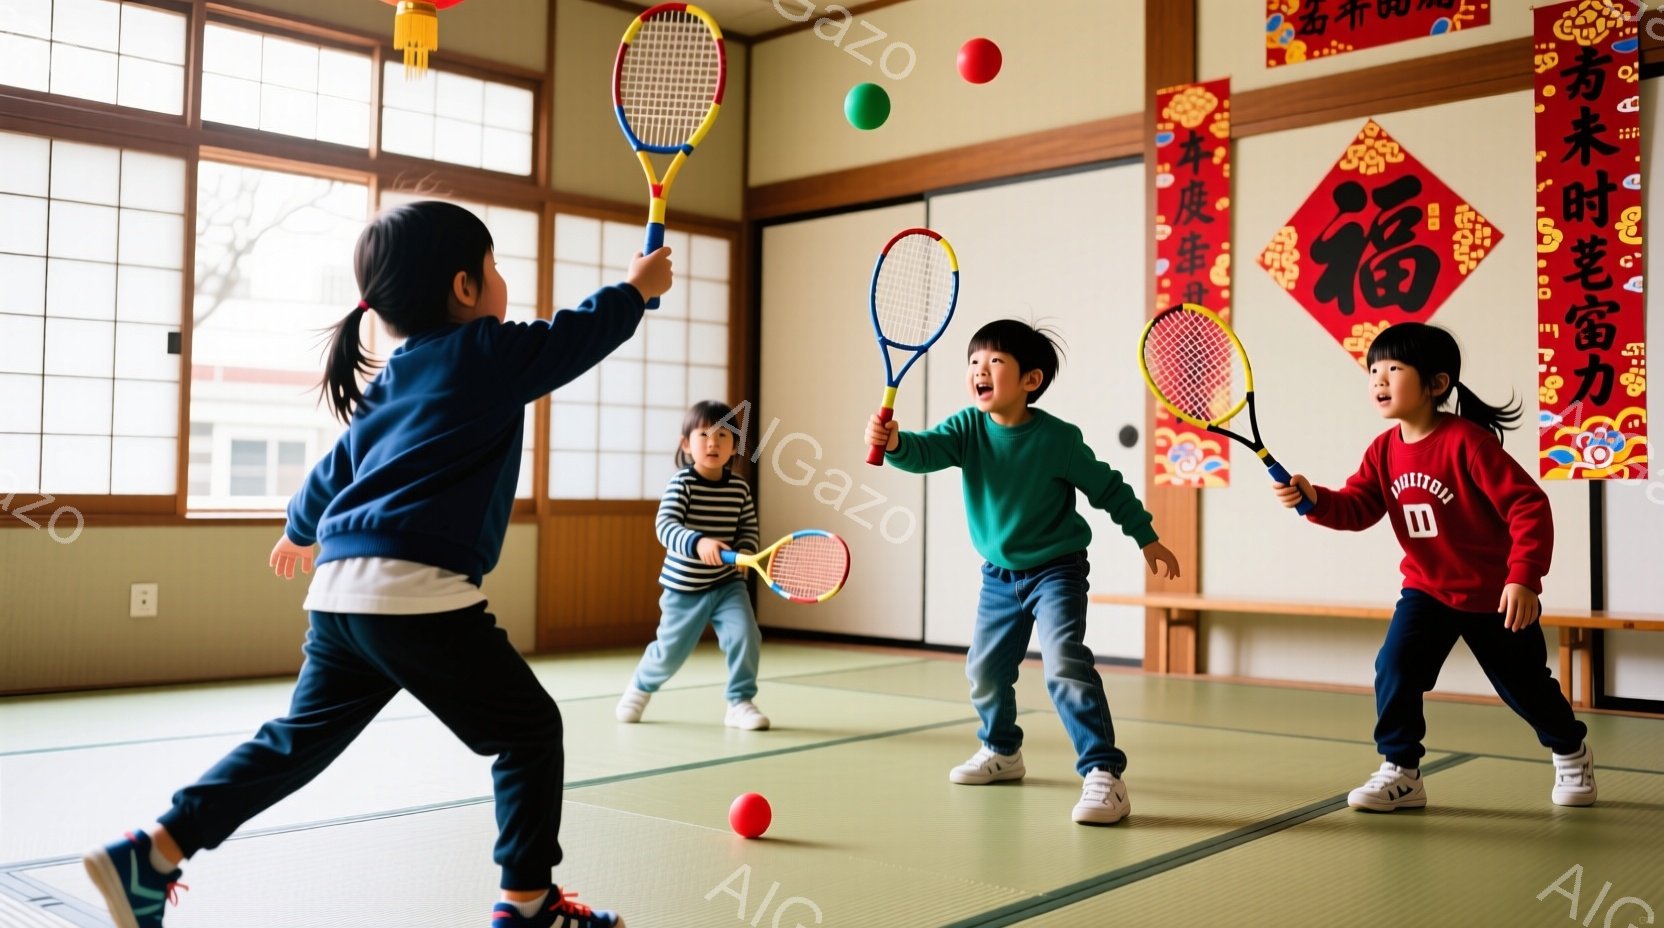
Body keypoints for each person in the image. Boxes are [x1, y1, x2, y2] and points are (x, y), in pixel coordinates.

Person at [81, 201, 673, 928]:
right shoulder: (487, 351)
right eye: (494, 267)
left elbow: (333, 472)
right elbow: (573, 339)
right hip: (413, 593)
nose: (499, 281)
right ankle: (527, 905)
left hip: (339, 596)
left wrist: (300, 532)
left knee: (294, 743)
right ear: (465, 287)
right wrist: (635, 291)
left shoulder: (393, 378)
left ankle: (155, 851)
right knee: (527, 733)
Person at [864, 319, 1180, 825]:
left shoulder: (1057, 439)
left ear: (1030, 380)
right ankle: (1002, 751)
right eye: (973, 362)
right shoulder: (967, 428)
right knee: (984, 672)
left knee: (1064, 665)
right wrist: (896, 441)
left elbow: (1108, 487)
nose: (979, 372)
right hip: (999, 576)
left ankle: (1104, 774)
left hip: (1057, 570)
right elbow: (923, 452)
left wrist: (1146, 536)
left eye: (994, 362)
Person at [1272, 322, 1596, 812]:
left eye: (1393, 369)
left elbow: (1528, 506)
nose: (1379, 380)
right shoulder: (1383, 451)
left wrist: (1523, 577)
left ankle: (1571, 750)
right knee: (1395, 667)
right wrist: (1314, 498)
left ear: (1437, 384)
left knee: (1526, 686)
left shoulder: (1468, 442)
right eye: (1373, 370)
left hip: (1494, 594)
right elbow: (1358, 507)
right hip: (1426, 591)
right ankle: (1401, 771)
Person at [615, 401, 767, 729]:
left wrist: (745, 551)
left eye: (723, 434)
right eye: (704, 434)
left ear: (734, 445)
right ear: (687, 444)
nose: (713, 442)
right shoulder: (682, 483)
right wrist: (699, 542)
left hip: (728, 585)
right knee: (670, 652)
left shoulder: (739, 488)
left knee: (746, 636)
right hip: (685, 588)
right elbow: (665, 526)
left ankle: (740, 702)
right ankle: (640, 688)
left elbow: (748, 528)